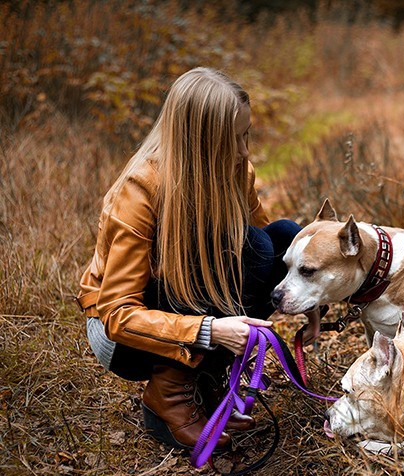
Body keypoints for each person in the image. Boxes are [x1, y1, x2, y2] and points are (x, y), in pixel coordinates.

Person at [77, 67, 320, 452]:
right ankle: (169, 397)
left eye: (246, 135)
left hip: (189, 303)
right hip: (124, 337)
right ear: (200, 140)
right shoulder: (140, 190)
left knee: (281, 237)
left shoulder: (236, 170)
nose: (244, 151)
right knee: (206, 251)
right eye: (232, 140)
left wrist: (306, 295)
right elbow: (118, 314)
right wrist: (212, 331)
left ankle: (205, 380)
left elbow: (262, 253)